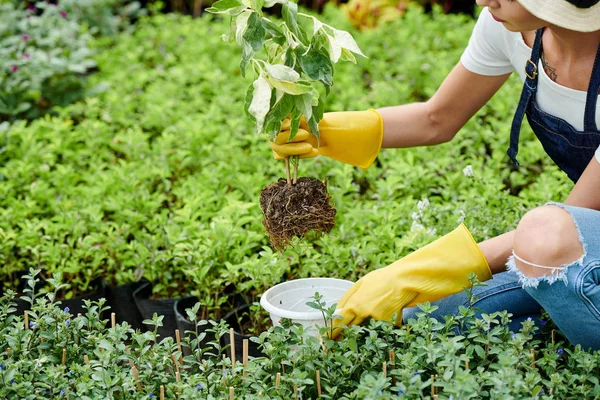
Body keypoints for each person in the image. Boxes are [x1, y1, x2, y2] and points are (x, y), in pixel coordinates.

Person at [269, 0, 600, 350]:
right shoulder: (509, 27)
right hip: (568, 242)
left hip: (565, 239)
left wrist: (418, 272)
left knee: (542, 238)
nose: (483, 0)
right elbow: (437, 118)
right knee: (424, 316)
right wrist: (327, 132)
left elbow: (561, 231)